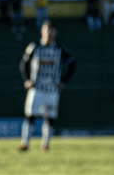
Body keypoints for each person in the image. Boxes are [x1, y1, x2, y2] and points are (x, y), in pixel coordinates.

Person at [19, 21, 76, 152]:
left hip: (52, 90)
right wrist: (27, 80)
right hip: (36, 89)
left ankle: (45, 144)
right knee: (30, 115)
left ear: (55, 32)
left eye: (51, 30)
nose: (49, 33)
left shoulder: (60, 49)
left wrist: (63, 82)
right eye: (46, 30)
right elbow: (23, 64)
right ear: (42, 32)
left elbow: (73, 65)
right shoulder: (34, 47)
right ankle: (25, 143)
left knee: (50, 117)